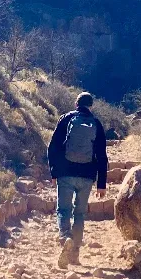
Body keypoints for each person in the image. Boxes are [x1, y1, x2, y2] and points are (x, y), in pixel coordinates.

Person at [47, 91, 108, 268]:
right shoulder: (96, 123)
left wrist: (54, 172)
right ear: (91, 106)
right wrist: (101, 184)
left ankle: (65, 238)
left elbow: (53, 147)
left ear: (76, 104)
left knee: (63, 210)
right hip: (87, 176)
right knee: (79, 213)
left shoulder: (66, 119)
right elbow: (102, 155)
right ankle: (74, 255)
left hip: (66, 173)